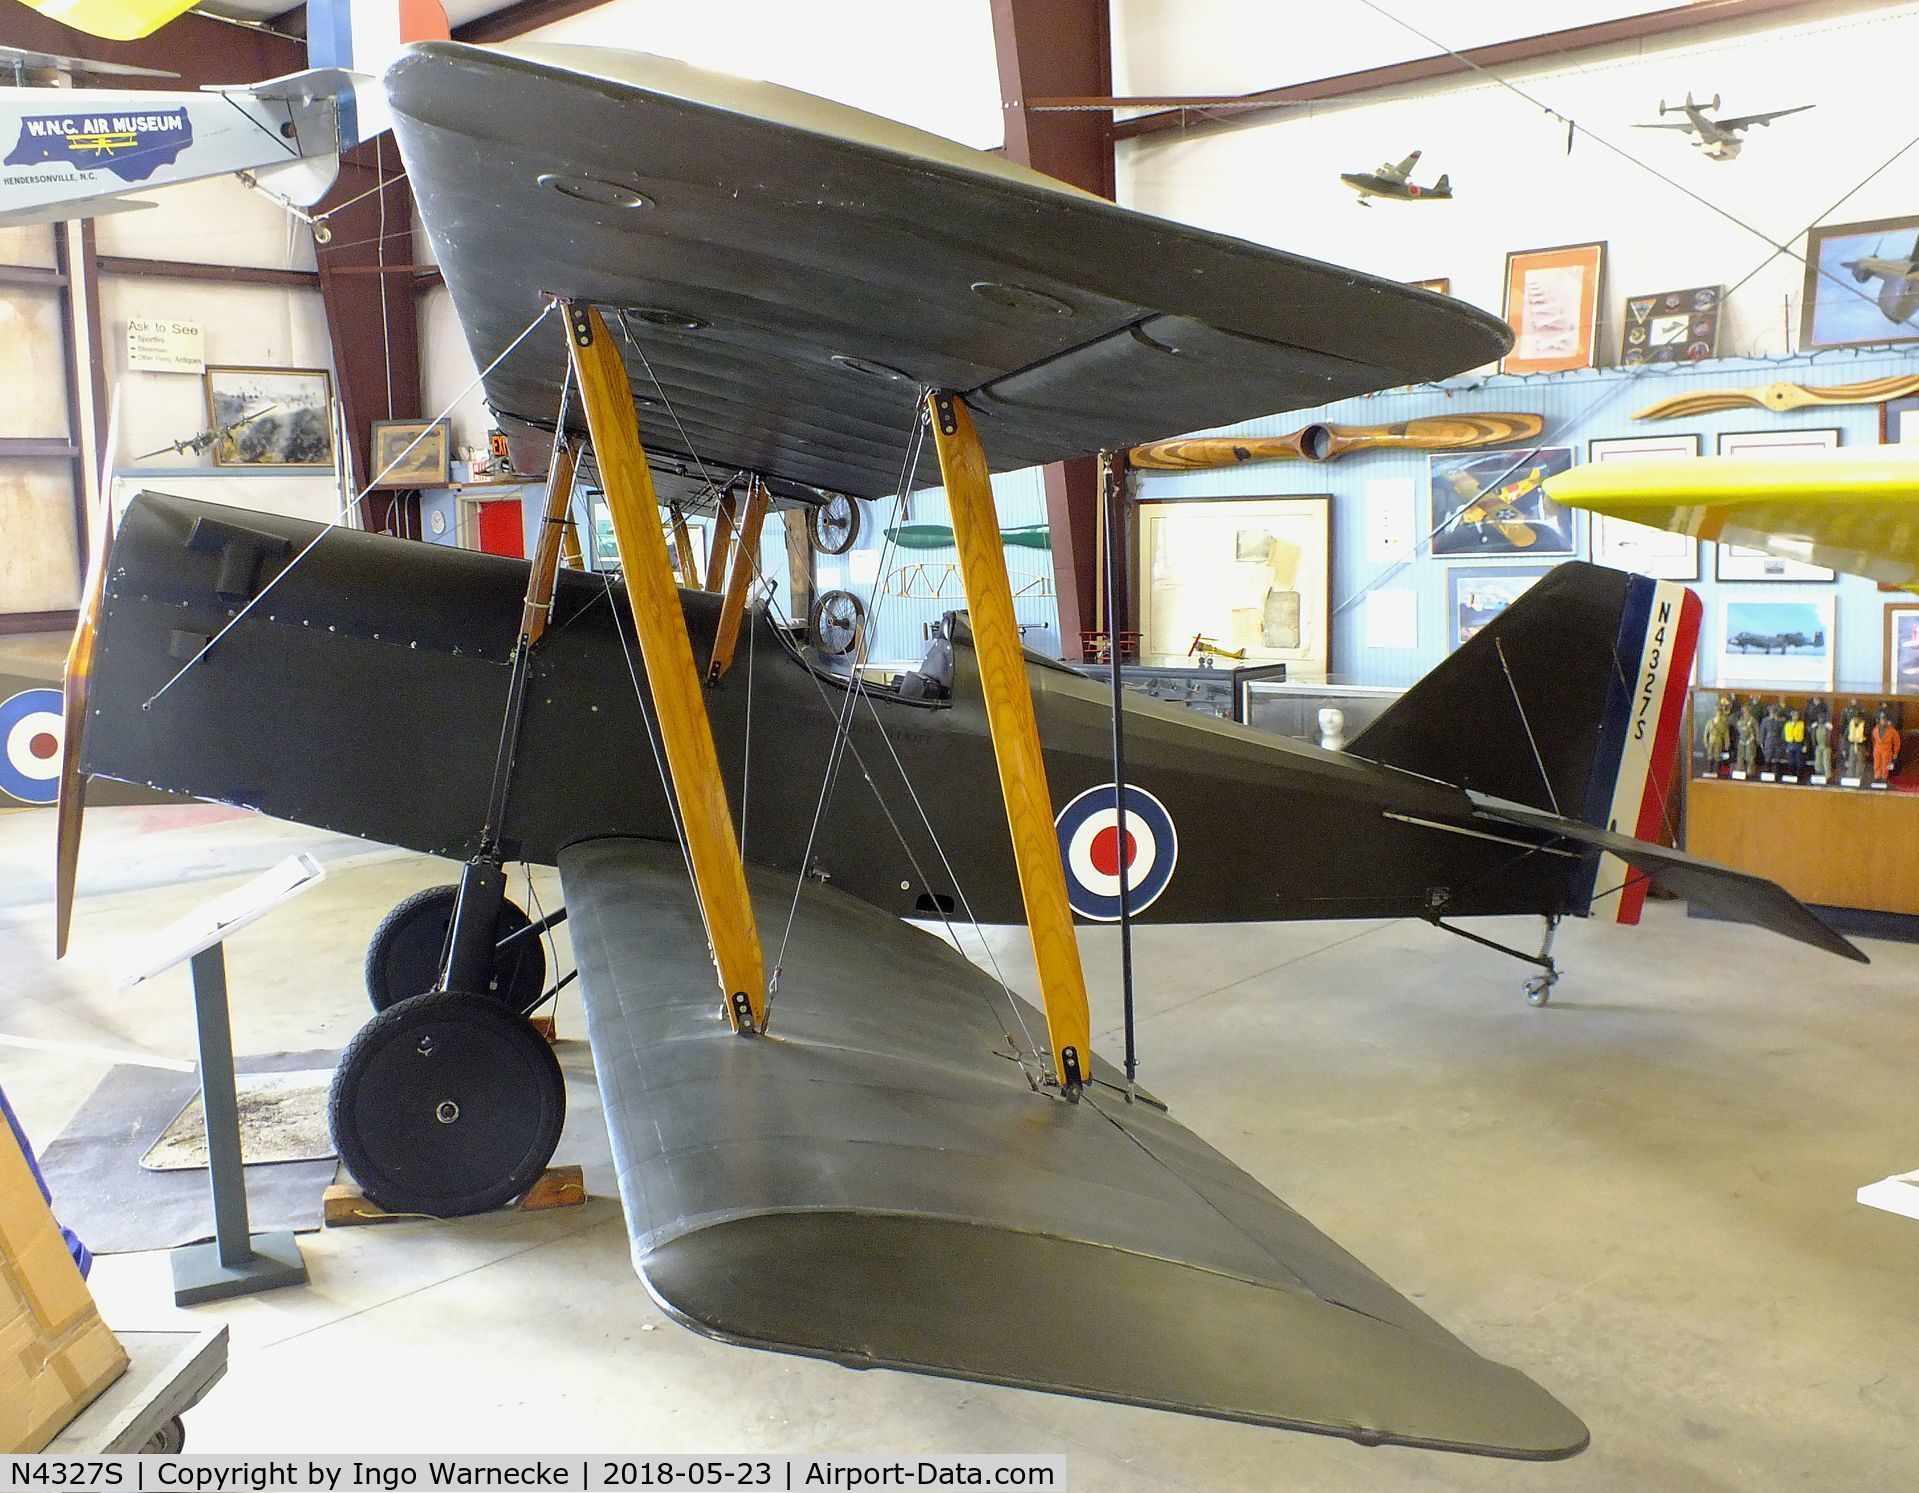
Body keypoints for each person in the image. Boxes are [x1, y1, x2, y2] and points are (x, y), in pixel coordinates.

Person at [1873, 707, 1902, 783]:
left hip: (1886, 750)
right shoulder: (1875, 729)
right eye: (1882, 719)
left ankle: (1884, 779)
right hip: (1877, 750)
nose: (1884, 721)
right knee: (1877, 764)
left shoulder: (1892, 731)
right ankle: (1877, 778)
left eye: (1885, 719)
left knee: (1885, 765)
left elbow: (1897, 742)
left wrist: (1895, 753)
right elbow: (1873, 740)